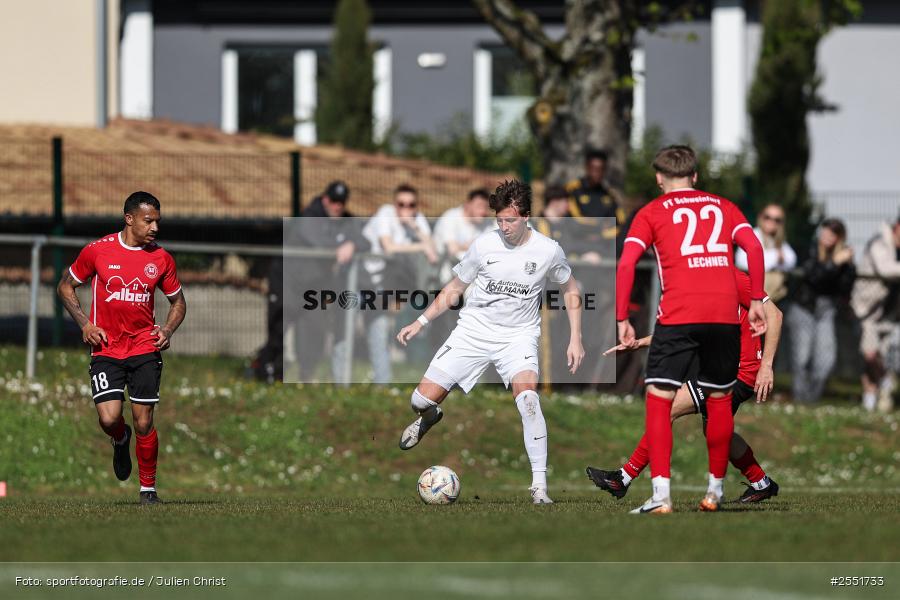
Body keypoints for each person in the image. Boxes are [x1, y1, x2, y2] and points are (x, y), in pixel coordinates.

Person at [395, 180, 585, 504]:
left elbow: (571, 288)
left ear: (526, 216)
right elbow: (454, 288)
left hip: (519, 337)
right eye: (499, 220)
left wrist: (575, 338)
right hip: (473, 332)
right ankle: (429, 418)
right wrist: (420, 321)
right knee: (419, 401)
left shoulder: (548, 250)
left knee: (528, 400)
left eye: (509, 220)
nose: (503, 226)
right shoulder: (484, 245)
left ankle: (540, 488)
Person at [615, 145, 767, 514]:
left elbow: (627, 263)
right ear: (695, 176)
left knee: (659, 400)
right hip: (723, 318)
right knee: (718, 404)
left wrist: (623, 318)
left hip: (680, 314)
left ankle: (661, 497)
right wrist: (758, 297)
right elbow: (754, 246)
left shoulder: (651, 211)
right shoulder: (724, 206)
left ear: (658, 177)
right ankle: (714, 492)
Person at [587, 268, 784, 503]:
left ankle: (623, 478)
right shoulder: (694, 286)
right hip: (721, 370)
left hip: (740, 372)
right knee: (717, 434)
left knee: (669, 409)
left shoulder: (732, 277)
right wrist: (639, 343)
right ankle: (761, 483)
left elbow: (775, 315)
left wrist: (766, 366)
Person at [57, 191, 186, 505]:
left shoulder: (161, 258)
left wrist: (167, 329)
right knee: (109, 419)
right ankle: (120, 439)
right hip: (106, 349)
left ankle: (148, 490)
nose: (155, 227)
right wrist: (85, 324)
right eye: (148, 220)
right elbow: (65, 285)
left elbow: (178, 302)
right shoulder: (98, 251)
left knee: (145, 420)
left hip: (144, 349)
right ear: (129, 219)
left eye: (157, 221)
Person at [287, 181, 370, 381]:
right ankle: (267, 373)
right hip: (291, 285)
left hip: (317, 287)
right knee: (278, 329)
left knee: (314, 331)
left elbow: (365, 241)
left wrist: (351, 244)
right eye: (333, 201)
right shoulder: (309, 217)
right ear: (325, 199)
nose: (337, 206)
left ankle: (307, 374)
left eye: (341, 201)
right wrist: (340, 247)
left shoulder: (346, 220)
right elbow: (319, 244)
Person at [362, 184, 439, 384]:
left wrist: (414, 227)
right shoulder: (385, 214)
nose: (406, 209)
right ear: (394, 204)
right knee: (377, 328)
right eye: (401, 204)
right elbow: (389, 247)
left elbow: (433, 251)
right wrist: (422, 246)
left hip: (396, 282)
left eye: (411, 205)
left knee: (387, 329)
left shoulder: (417, 219)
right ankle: (380, 380)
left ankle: (384, 380)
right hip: (368, 279)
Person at [787, 218, 856, 404]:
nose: (827, 236)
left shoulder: (843, 258)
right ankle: (800, 400)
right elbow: (813, 277)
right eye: (825, 230)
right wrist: (834, 263)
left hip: (827, 310)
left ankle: (811, 400)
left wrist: (847, 265)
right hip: (804, 306)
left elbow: (845, 288)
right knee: (801, 358)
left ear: (839, 237)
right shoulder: (809, 249)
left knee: (826, 359)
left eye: (833, 233)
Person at [852, 216, 900, 412]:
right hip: (868, 311)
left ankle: (872, 402)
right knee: (870, 355)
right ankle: (885, 381)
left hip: (891, 314)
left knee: (884, 355)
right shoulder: (879, 243)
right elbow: (886, 269)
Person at [565, 148, 625, 257]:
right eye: (594, 168)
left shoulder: (609, 194)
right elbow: (574, 219)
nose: (597, 173)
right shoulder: (573, 189)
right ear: (587, 167)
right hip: (577, 244)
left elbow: (620, 224)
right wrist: (601, 225)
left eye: (601, 169)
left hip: (603, 246)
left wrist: (602, 234)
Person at [735, 203, 797, 302]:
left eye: (777, 220)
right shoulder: (752, 234)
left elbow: (791, 260)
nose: (772, 222)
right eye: (767, 217)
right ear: (761, 217)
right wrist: (776, 258)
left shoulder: (778, 240)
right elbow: (741, 260)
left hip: (774, 297)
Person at [432, 188, 492, 283]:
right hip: (442, 270)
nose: (483, 211)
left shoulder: (487, 222)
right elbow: (452, 250)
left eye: (486, 207)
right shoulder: (451, 217)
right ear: (467, 204)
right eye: (479, 206)